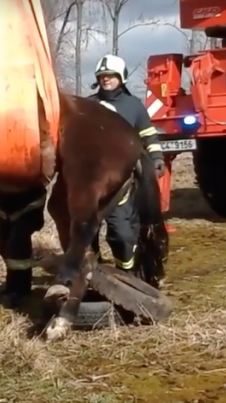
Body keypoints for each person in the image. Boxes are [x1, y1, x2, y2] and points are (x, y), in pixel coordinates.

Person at [89, 54, 166, 272]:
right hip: (90, 181)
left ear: (120, 78)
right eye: (102, 76)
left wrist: (157, 157)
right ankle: (91, 272)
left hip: (122, 182)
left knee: (122, 234)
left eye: (111, 76)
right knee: (86, 233)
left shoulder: (133, 106)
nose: (106, 79)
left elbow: (148, 134)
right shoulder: (88, 105)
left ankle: (127, 274)